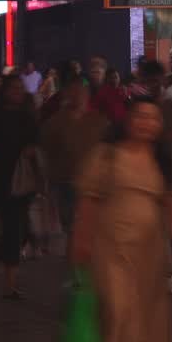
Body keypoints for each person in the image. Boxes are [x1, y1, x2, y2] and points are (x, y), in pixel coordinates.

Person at [72, 98, 172, 342]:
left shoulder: (160, 161)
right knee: (119, 303)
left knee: (143, 305)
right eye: (140, 117)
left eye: (152, 118)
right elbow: (88, 199)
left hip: (150, 246)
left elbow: (169, 203)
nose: (146, 123)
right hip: (109, 242)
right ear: (128, 121)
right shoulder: (106, 156)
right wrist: (81, 239)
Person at [0, 72, 40, 299]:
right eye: (12, 88)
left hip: (23, 178)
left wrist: (31, 152)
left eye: (19, 88)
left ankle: (9, 256)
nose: (16, 92)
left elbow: (36, 140)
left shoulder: (27, 116)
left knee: (19, 226)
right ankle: (10, 282)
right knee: (10, 227)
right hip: (2, 178)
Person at [40, 77, 109, 239]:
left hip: (94, 183)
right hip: (66, 181)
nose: (78, 95)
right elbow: (46, 148)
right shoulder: (56, 121)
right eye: (74, 91)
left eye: (82, 92)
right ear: (67, 95)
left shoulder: (98, 120)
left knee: (92, 226)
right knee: (73, 227)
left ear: (88, 95)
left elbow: (107, 149)